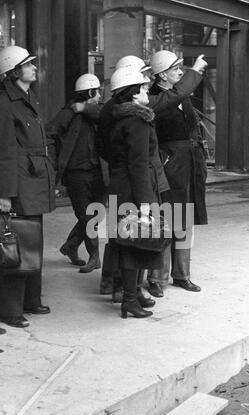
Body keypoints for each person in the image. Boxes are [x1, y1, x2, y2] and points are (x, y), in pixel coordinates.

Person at [75, 54, 207, 301]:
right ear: (131, 87)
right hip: (143, 178)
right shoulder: (138, 112)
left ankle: (118, 287)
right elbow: (138, 160)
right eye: (143, 77)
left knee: (127, 234)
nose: (147, 80)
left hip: (135, 176)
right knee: (138, 234)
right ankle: (130, 290)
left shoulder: (114, 109)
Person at [0, 45, 55, 328]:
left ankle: (31, 300)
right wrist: (5, 193)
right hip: (19, 183)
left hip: (33, 181)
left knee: (33, 241)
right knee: (15, 244)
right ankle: (9, 308)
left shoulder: (28, 98)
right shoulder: (5, 103)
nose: (33, 67)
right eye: (28, 64)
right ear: (14, 71)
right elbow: (2, 150)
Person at [107, 67, 170, 318]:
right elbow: (139, 165)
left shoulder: (120, 119)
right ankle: (130, 301)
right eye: (143, 88)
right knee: (135, 245)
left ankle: (131, 297)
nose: (147, 91)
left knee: (128, 243)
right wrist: (146, 202)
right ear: (133, 94)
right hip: (134, 192)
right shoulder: (138, 122)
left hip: (120, 188)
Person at [147, 50, 208, 298]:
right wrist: (196, 69)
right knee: (166, 222)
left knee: (185, 222)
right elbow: (179, 93)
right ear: (162, 75)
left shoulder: (181, 97)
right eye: (175, 69)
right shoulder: (155, 98)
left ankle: (182, 275)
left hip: (189, 165)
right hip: (170, 166)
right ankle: (156, 279)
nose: (180, 73)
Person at [46, 74, 107, 273]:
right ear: (90, 92)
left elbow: (106, 113)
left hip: (99, 171)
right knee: (87, 216)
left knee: (96, 214)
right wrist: (54, 161)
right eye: (96, 92)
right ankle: (94, 257)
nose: (99, 95)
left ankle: (71, 245)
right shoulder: (67, 113)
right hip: (76, 173)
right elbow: (50, 133)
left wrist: (85, 108)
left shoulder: (99, 111)